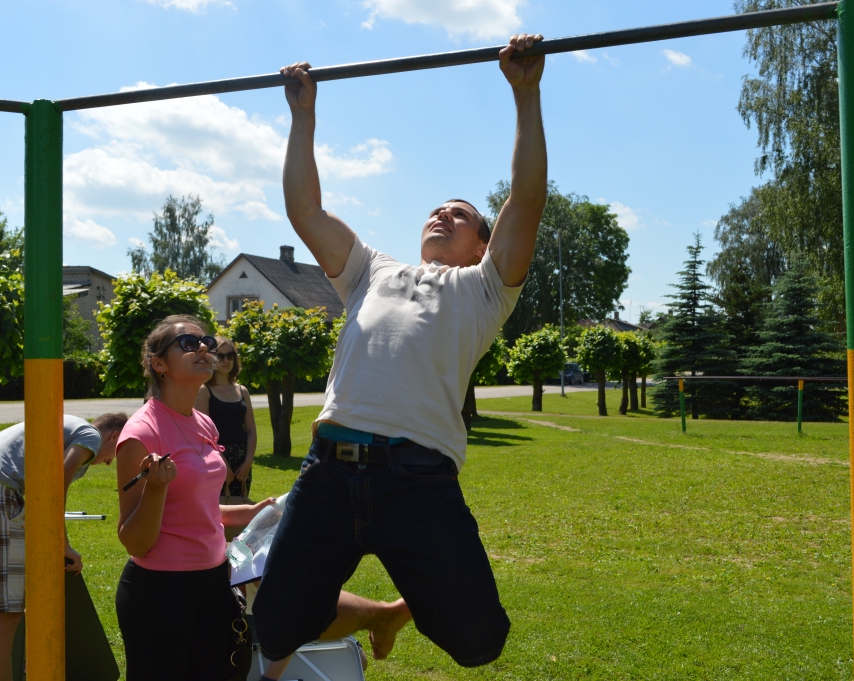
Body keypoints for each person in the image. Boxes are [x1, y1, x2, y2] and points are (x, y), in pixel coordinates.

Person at [254, 33, 548, 672]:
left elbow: (526, 201)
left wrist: (526, 96)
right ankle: (377, 614)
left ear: (481, 245)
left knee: (479, 641)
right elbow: (305, 210)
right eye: (437, 208)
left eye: (462, 214)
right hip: (329, 473)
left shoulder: (485, 288)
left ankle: (397, 607)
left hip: (416, 483)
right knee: (272, 628)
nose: (443, 213)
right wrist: (303, 117)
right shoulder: (369, 271)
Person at [114, 315, 275, 680]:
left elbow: (197, 508)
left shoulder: (203, 423)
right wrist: (155, 489)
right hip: (160, 594)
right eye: (188, 344)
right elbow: (134, 540)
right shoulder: (141, 433)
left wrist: (252, 512)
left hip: (214, 583)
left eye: (207, 342)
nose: (204, 348)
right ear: (159, 364)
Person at [0, 411, 128, 681]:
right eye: (120, 450)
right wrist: (62, 544)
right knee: (5, 615)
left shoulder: (69, 428)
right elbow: (56, 486)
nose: (111, 462)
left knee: (3, 612)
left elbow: (41, 491)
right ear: (114, 436)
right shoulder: (90, 436)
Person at [195, 336, 256, 499]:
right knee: (218, 512)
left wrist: (248, 462)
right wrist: (222, 464)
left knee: (240, 506)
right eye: (220, 356)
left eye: (230, 356)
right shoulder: (204, 390)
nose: (226, 360)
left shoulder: (242, 390)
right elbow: (204, 434)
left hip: (242, 462)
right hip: (215, 457)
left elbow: (251, 429)